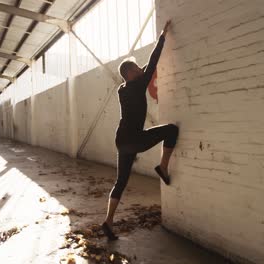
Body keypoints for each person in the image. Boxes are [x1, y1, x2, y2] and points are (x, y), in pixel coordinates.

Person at [102, 20, 179, 240]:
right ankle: (163, 167)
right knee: (171, 130)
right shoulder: (137, 83)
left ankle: (108, 221)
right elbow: (152, 62)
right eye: (136, 68)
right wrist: (162, 37)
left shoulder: (123, 89)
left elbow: (144, 69)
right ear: (131, 73)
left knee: (121, 182)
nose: (140, 68)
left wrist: (140, 70)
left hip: (121, 141)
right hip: (135, 139)